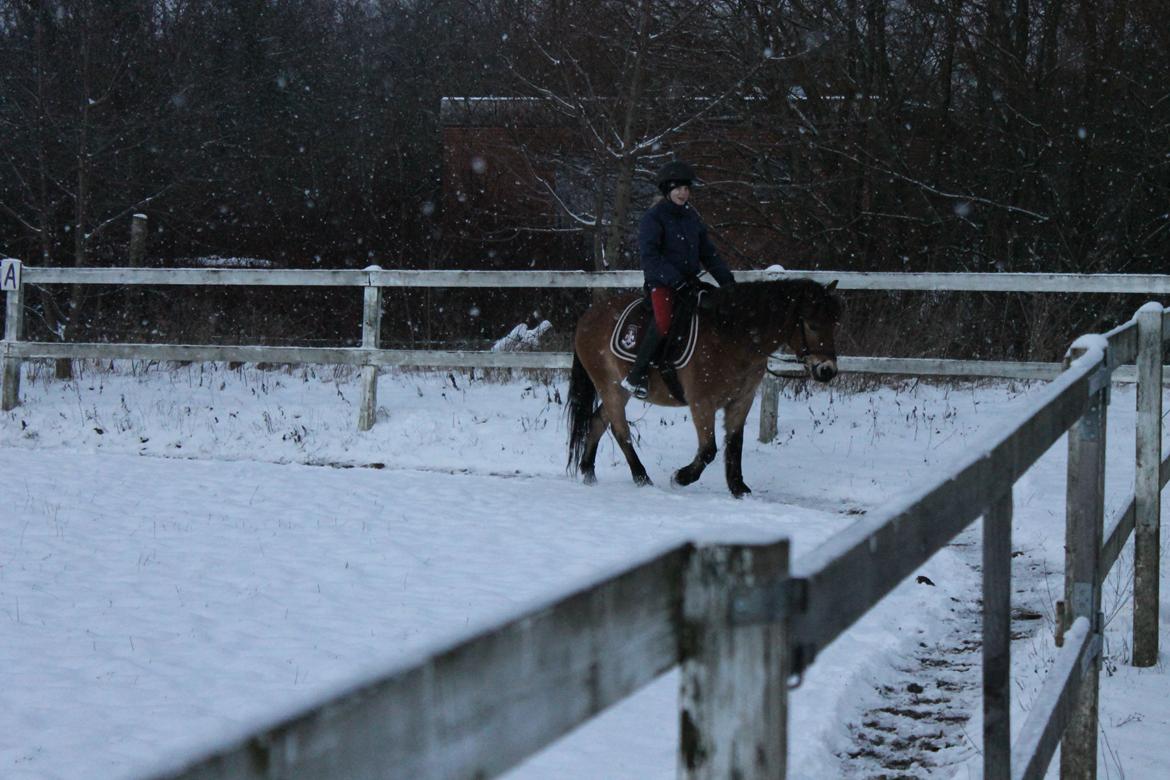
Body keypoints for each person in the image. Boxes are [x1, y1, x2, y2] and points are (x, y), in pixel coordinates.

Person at [620, 160, 736, 399]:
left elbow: (708, 253)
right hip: (662, 283)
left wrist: (728, 283)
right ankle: (637, 375)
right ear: (667, 190)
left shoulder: (691, 218)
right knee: (663, 322)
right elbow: (650, 258)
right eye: (678, 188)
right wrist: (675, 281)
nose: (684, 193)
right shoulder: (653, 219)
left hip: (689, 282)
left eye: (686, 188)